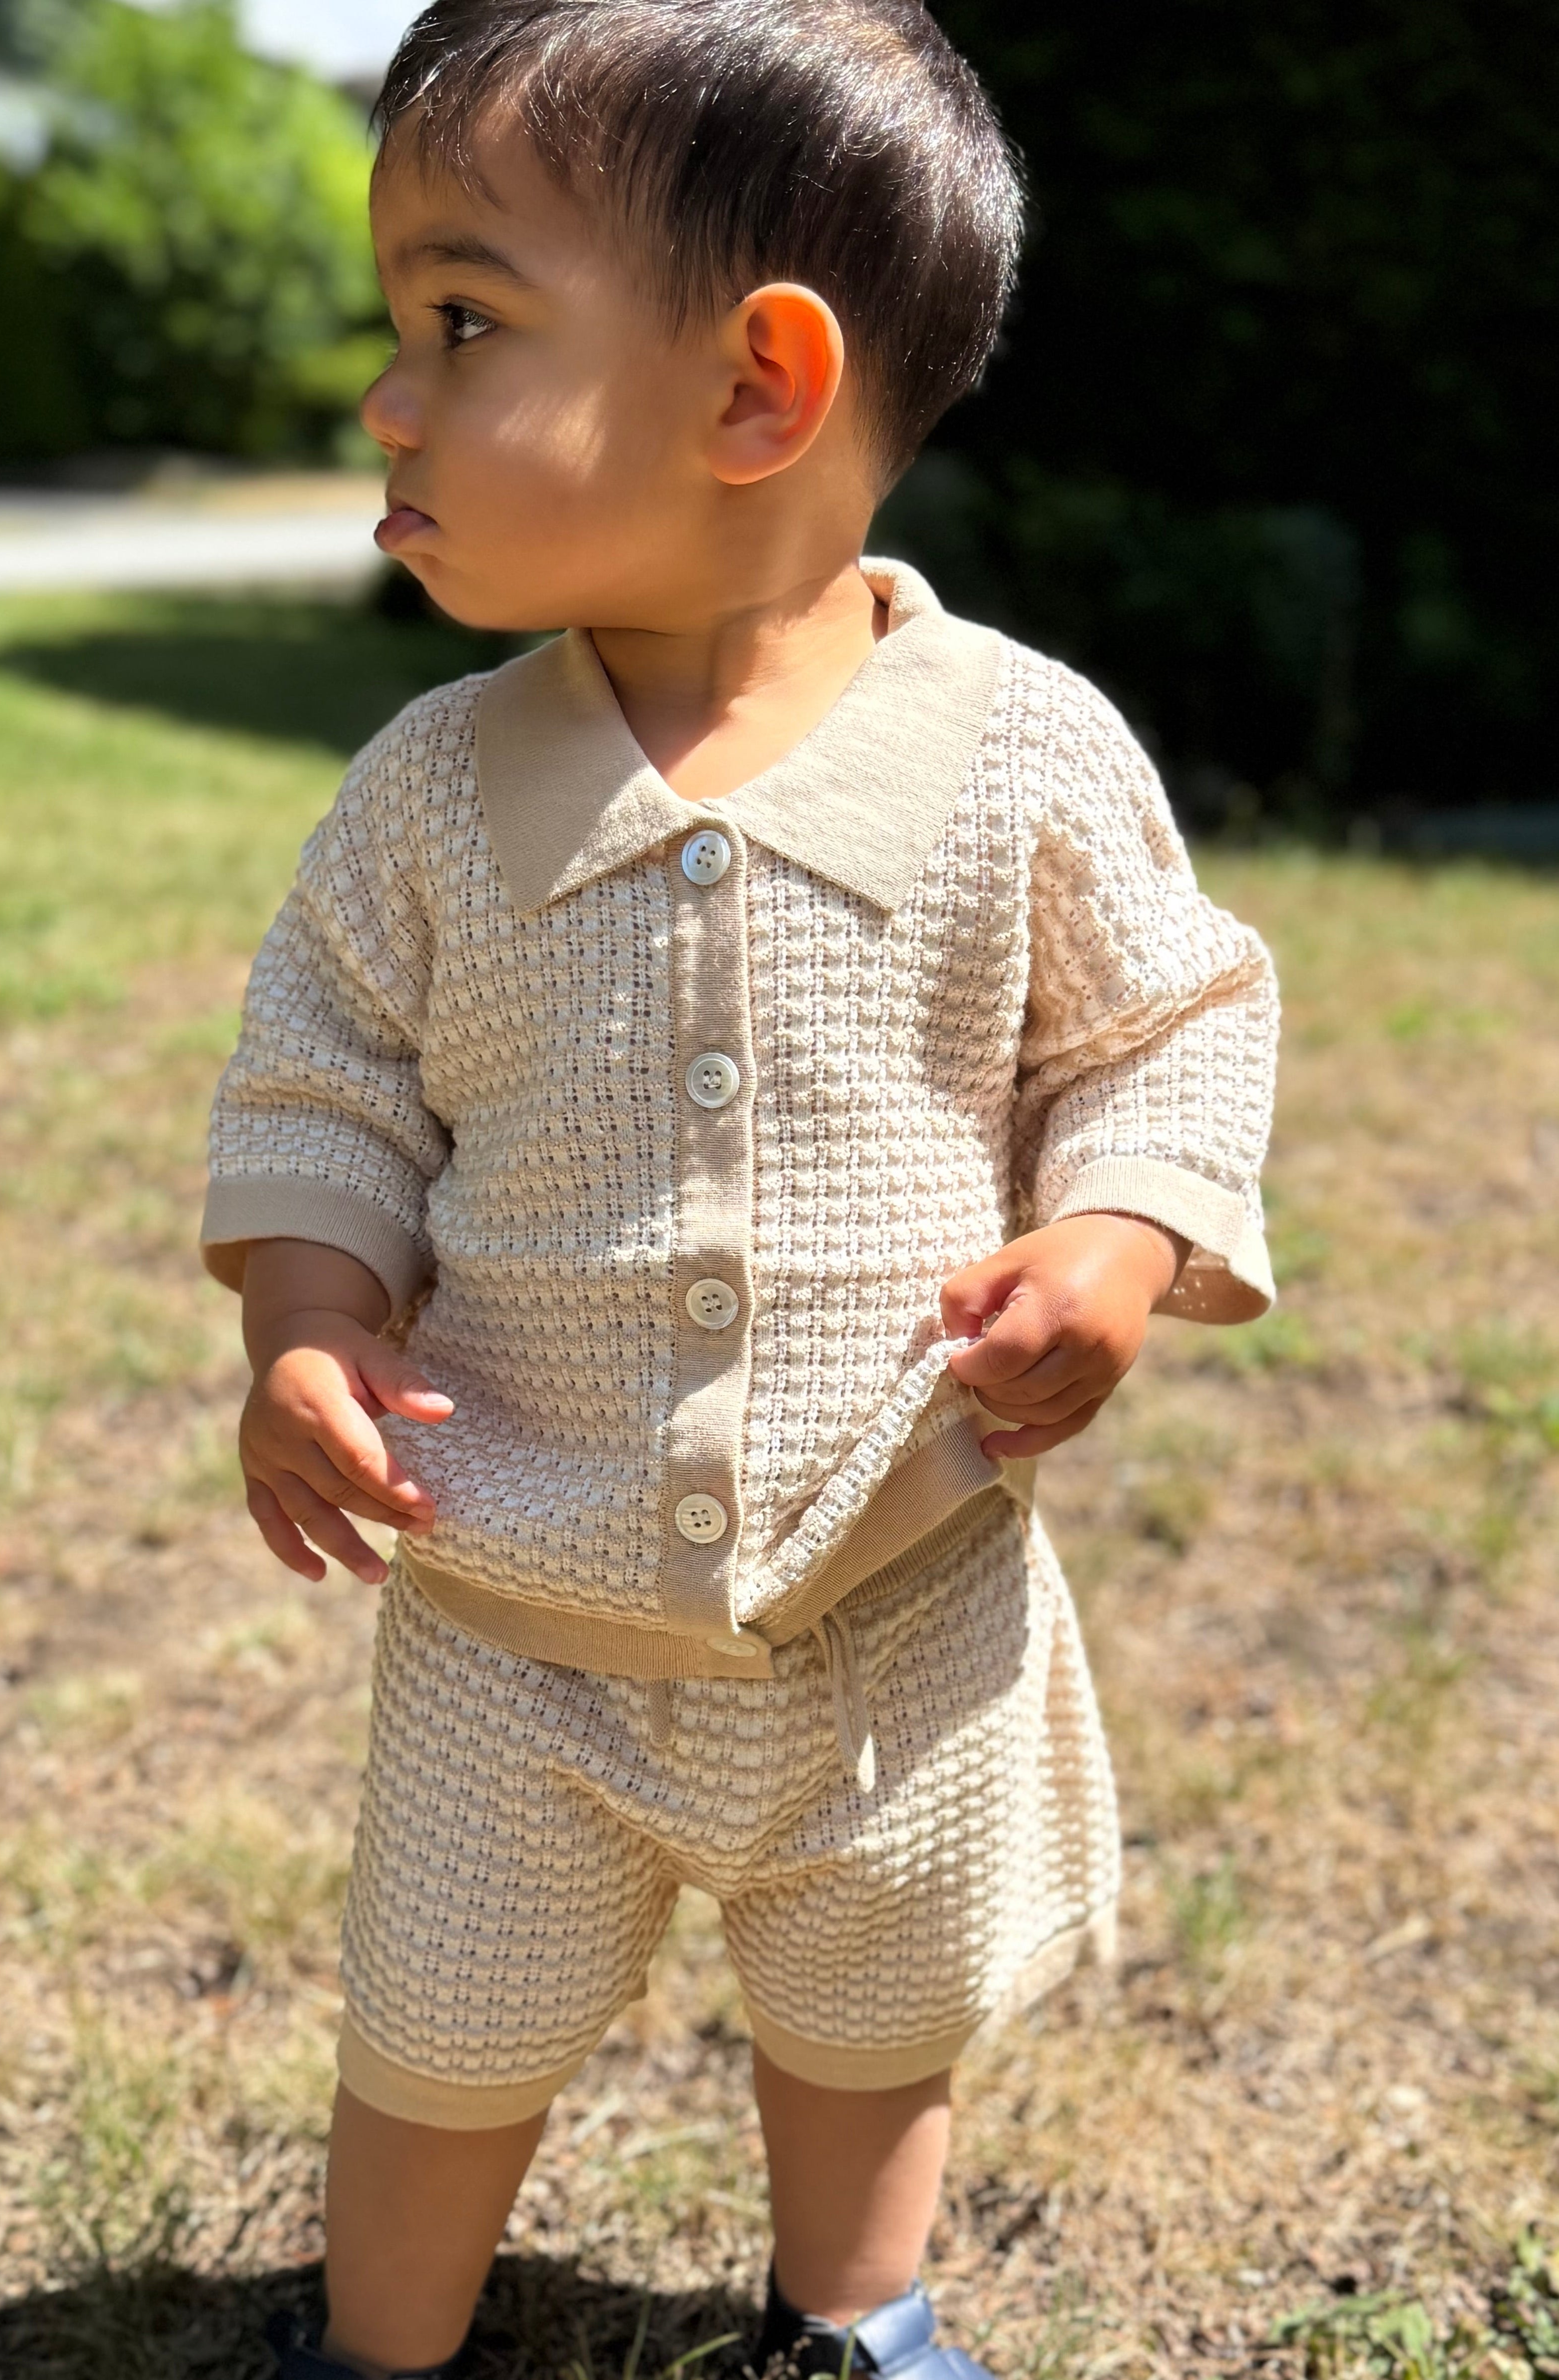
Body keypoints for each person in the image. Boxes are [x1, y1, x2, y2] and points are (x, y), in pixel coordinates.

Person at [200, 3, 1280, 2372]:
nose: (391, 396)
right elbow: (323, 1091)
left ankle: (850, 2316)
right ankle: (378, 2337)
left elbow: (1165, 1031)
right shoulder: (425, 796)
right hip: (516, 1619)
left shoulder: (1016, 755)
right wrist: (306, 1314)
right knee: (444, 2022)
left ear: (755, 392)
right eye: (402, 328)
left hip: (891, 1596)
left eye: (461, 323)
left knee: (877, 2003)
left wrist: (1113, 1240)